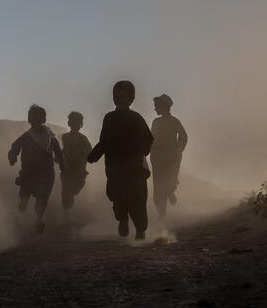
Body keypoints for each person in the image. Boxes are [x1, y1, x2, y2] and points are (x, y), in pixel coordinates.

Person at [88, 81, 153, 239]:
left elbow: (148, 138)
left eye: (122, 96)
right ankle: (123, 219)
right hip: (115, 167)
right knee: (117, 196)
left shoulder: (136, 118)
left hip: (135, 167)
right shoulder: (109, 118)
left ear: (131, 99)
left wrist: (143, 149)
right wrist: (93, 155)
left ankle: (140, 230)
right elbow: (103, 141)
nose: (118, 99)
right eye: (115, 96)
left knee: (138, 199)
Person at [9, 104, 65, 233]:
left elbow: (58, 152)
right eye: (33, 118)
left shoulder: (51, 138)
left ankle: (38, 219)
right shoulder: (26, 136)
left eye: (39, 118)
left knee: (42, 197)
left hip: (46, 174)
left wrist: (62, 164)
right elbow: (14, 147)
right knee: (24, 196)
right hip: (28, 173)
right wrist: (12, 157)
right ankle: (22, 210)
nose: (36, 121)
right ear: (30, 120)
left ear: (43, 119)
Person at [150, 94, 188, 217]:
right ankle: (162, 212)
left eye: (157, 106)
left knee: (169, 183)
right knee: (157, 193)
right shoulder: (155, 122)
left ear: (164, 106)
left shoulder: (174, 122)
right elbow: (150, 139)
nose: (155, 109)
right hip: (157, 160)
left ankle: (169, 194)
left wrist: (179, 149)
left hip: (171, 159)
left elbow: (183, 136)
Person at [60, 111, 92, 216]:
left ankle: (68, 207)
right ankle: (66, 213)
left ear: (81, 125)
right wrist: (59, 156)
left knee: (74, 189)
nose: (74, 125)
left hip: (79, 170)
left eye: (77, 123)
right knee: (65, 191)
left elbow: (90, 152)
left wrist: (83, 159)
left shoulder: (83, 139)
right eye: (72, 122)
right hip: (67, 169)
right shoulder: (64, 137)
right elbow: (62, 150)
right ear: (69, 123)